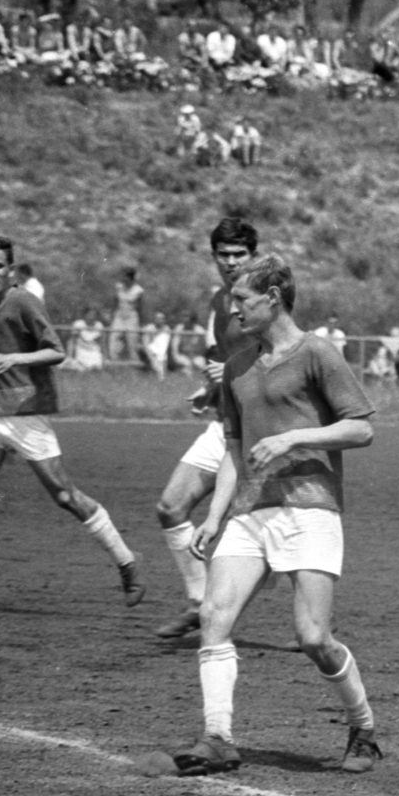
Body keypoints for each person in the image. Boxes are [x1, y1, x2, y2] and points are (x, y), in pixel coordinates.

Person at [167, 252, 382, 777]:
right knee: (215, 618)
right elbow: (234, 451)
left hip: (310, 507)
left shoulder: (318, 354)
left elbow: (361, 429)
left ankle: (363, 727)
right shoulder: (238, 367)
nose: (232, 308)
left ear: (273, 298)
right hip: (249, 511)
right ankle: (217, 738)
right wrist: (215, 516)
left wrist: (293, 436)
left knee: (313, 638)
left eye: (241, 299)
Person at [0, 236, 144, 611]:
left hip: (27, 416)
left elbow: (57, 351)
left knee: (66, 497)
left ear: (11, 269)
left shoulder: (24, 300)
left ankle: (127, 562)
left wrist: (14, 359)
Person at [153, 217, 258, 640]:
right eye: (224, 255)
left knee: (270, 530)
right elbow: (225, 363)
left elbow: (279, 362)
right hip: (225, 424)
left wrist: (228, 373)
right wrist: (208, 389)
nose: (231, 262)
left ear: (254, 255)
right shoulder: (220, 301)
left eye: (240, 255)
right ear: (213, 257)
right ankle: (198, 602)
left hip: (262, 433)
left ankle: (316, 621)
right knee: (171, 507)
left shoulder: (270, 299)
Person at [112, 267, 145, 362]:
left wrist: (141, 323)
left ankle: (134, 361)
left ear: (130, 278)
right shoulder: (119, 287)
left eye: (125, 276)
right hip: (119, 315)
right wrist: (112, 316)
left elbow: (140, 307)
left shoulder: (138, 290)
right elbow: (114, 302)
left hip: (131, 316)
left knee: (132, 340)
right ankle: (114, 360)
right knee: (114, 337)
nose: (122, 278)